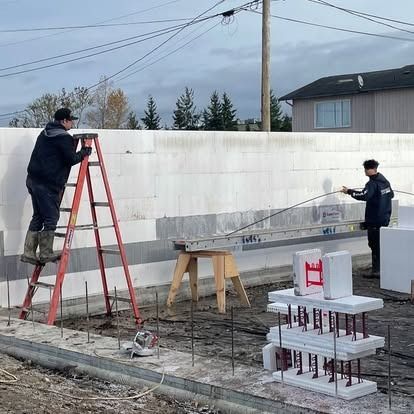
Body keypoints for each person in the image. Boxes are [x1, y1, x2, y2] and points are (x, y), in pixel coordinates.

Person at [20, 108, 92, 265]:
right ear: (64, 121)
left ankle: (28, 252)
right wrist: (85, 152)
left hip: (33, 180)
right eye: (70, 120)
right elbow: (71, 159)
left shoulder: (44, 133)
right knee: (51, 218)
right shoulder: (63, 137)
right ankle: (45, 253)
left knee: (38, 216)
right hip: (46, 185)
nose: (72, 122)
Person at [341, 159, 394, 278]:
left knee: (374, 245)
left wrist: (348, 191)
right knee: (381, 245)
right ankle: (382, 269)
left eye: (365, 169)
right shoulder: (385, 181)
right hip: (385, 219)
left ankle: (377, 271)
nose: (364, 171)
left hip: (375, 220)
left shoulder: (371, 184)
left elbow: (364, 195)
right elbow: (391, 195)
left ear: (368, 170)